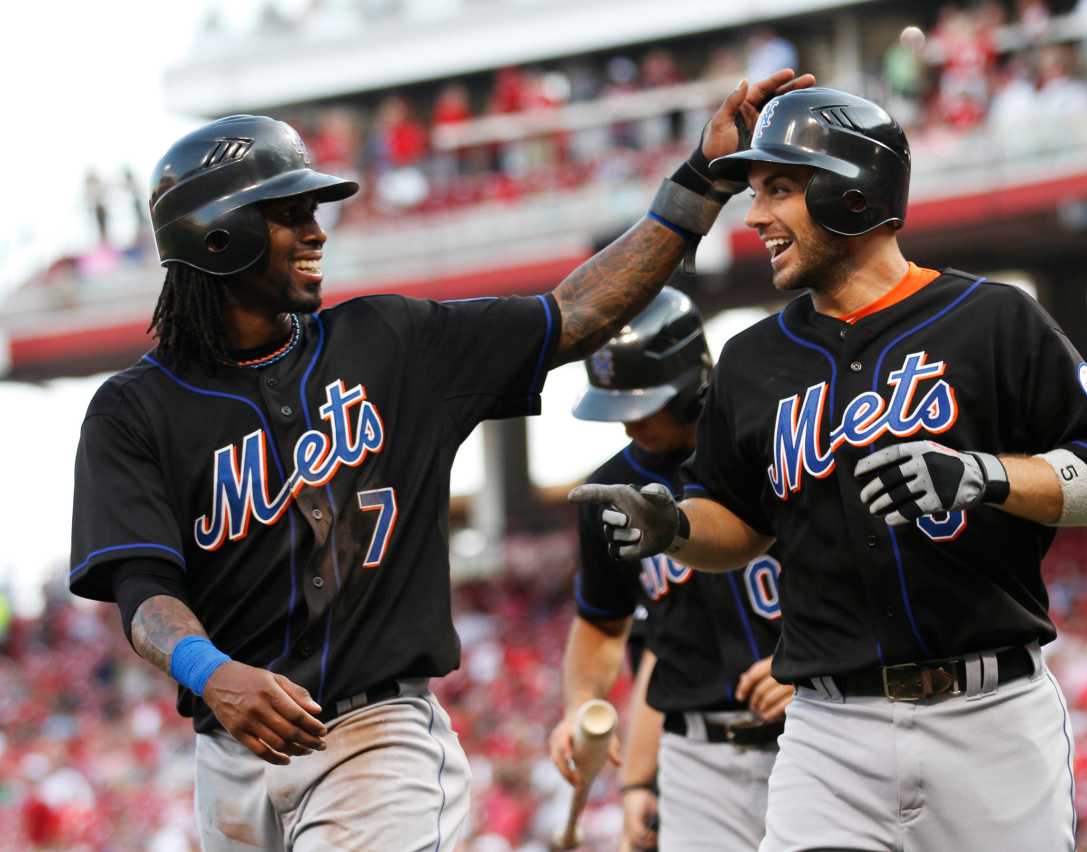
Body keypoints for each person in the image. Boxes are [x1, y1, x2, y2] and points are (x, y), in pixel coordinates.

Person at [69, 70, 814, 851]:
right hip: (228, 761)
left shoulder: (392, 342)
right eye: (290, 216)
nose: (318, 230)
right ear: (218, 236)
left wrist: (700, 180)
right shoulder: (133, 410)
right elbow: (144, 594)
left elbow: (577, 315)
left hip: (374, 736)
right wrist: (209, 671)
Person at [570, 86, 1087, 852]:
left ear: (851, 189)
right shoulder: (752, 360)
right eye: (754, 193)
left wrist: (986, 478)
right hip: (830, 731)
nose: (755, 217)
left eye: (779, 188)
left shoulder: (992, 320)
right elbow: (740, 525)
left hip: (989, 716)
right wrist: (673, 525)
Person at [549, 289, 788, 851]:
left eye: (641, 405)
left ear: (689, 385)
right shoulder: (611, 491)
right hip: (697, 757)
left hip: (816, 722)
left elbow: (859, 576)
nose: (628, 423)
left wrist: (813, 665)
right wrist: (582, 703)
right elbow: (603, 625)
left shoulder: (770, 447)